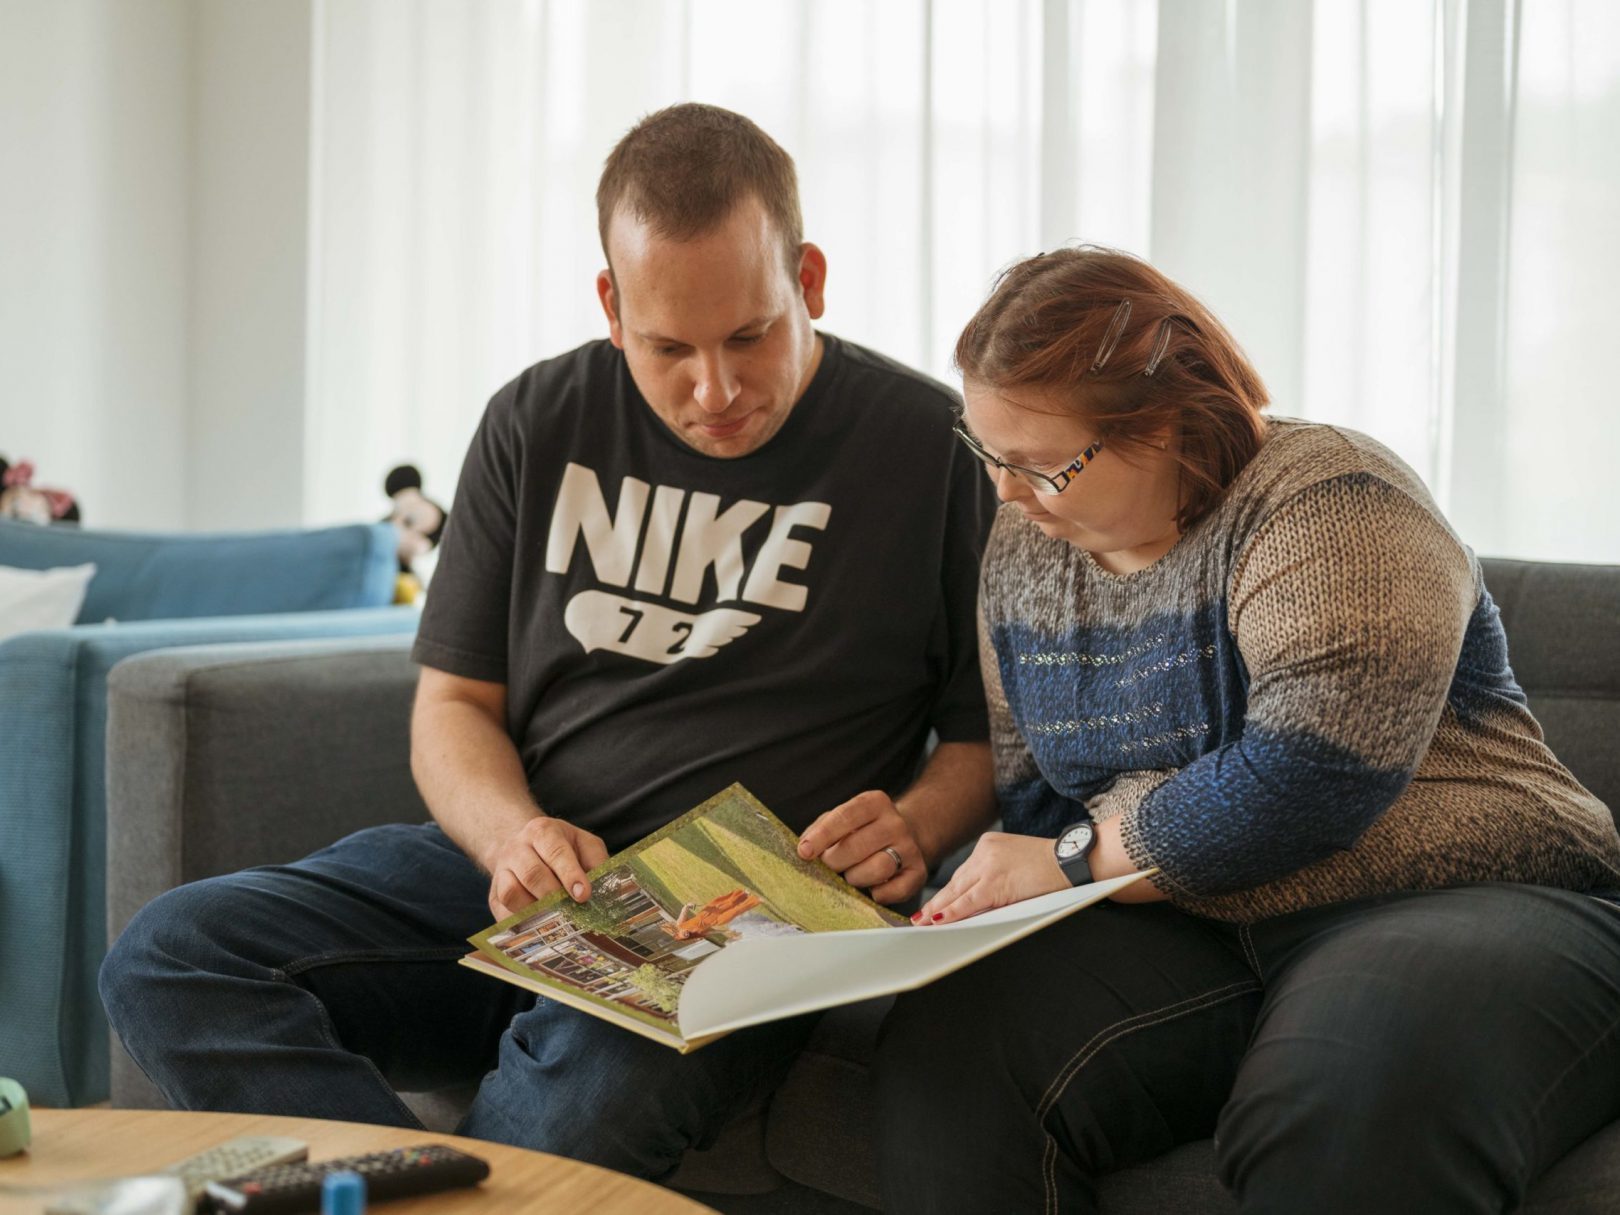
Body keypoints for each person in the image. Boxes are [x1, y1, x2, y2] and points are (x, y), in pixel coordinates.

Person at [99, 103, 997, 1180]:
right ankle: (408, 1192)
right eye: (669, 348)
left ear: (807, 281)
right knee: (171, 955)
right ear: (612, 307)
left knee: (588, 1100)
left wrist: (908, 823)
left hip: (744, 925)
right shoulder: (537, 418)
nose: (715, 391)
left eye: (750, 335)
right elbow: (453, 709)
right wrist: (511, 835)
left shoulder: (934, 447)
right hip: (534, 879)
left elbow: (981, 743)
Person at [872, 247, 1620, 1213]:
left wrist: (1068, 856)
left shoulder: (1331, 498)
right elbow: (1040, 797)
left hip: (1463, 893)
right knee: (952, 1043)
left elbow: (1308, 775)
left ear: (1159, 422)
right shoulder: (1026, 552)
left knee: (1350, 1085)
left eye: (1038, 463)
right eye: (990, 455)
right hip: (1192, 919)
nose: (1006, 492)